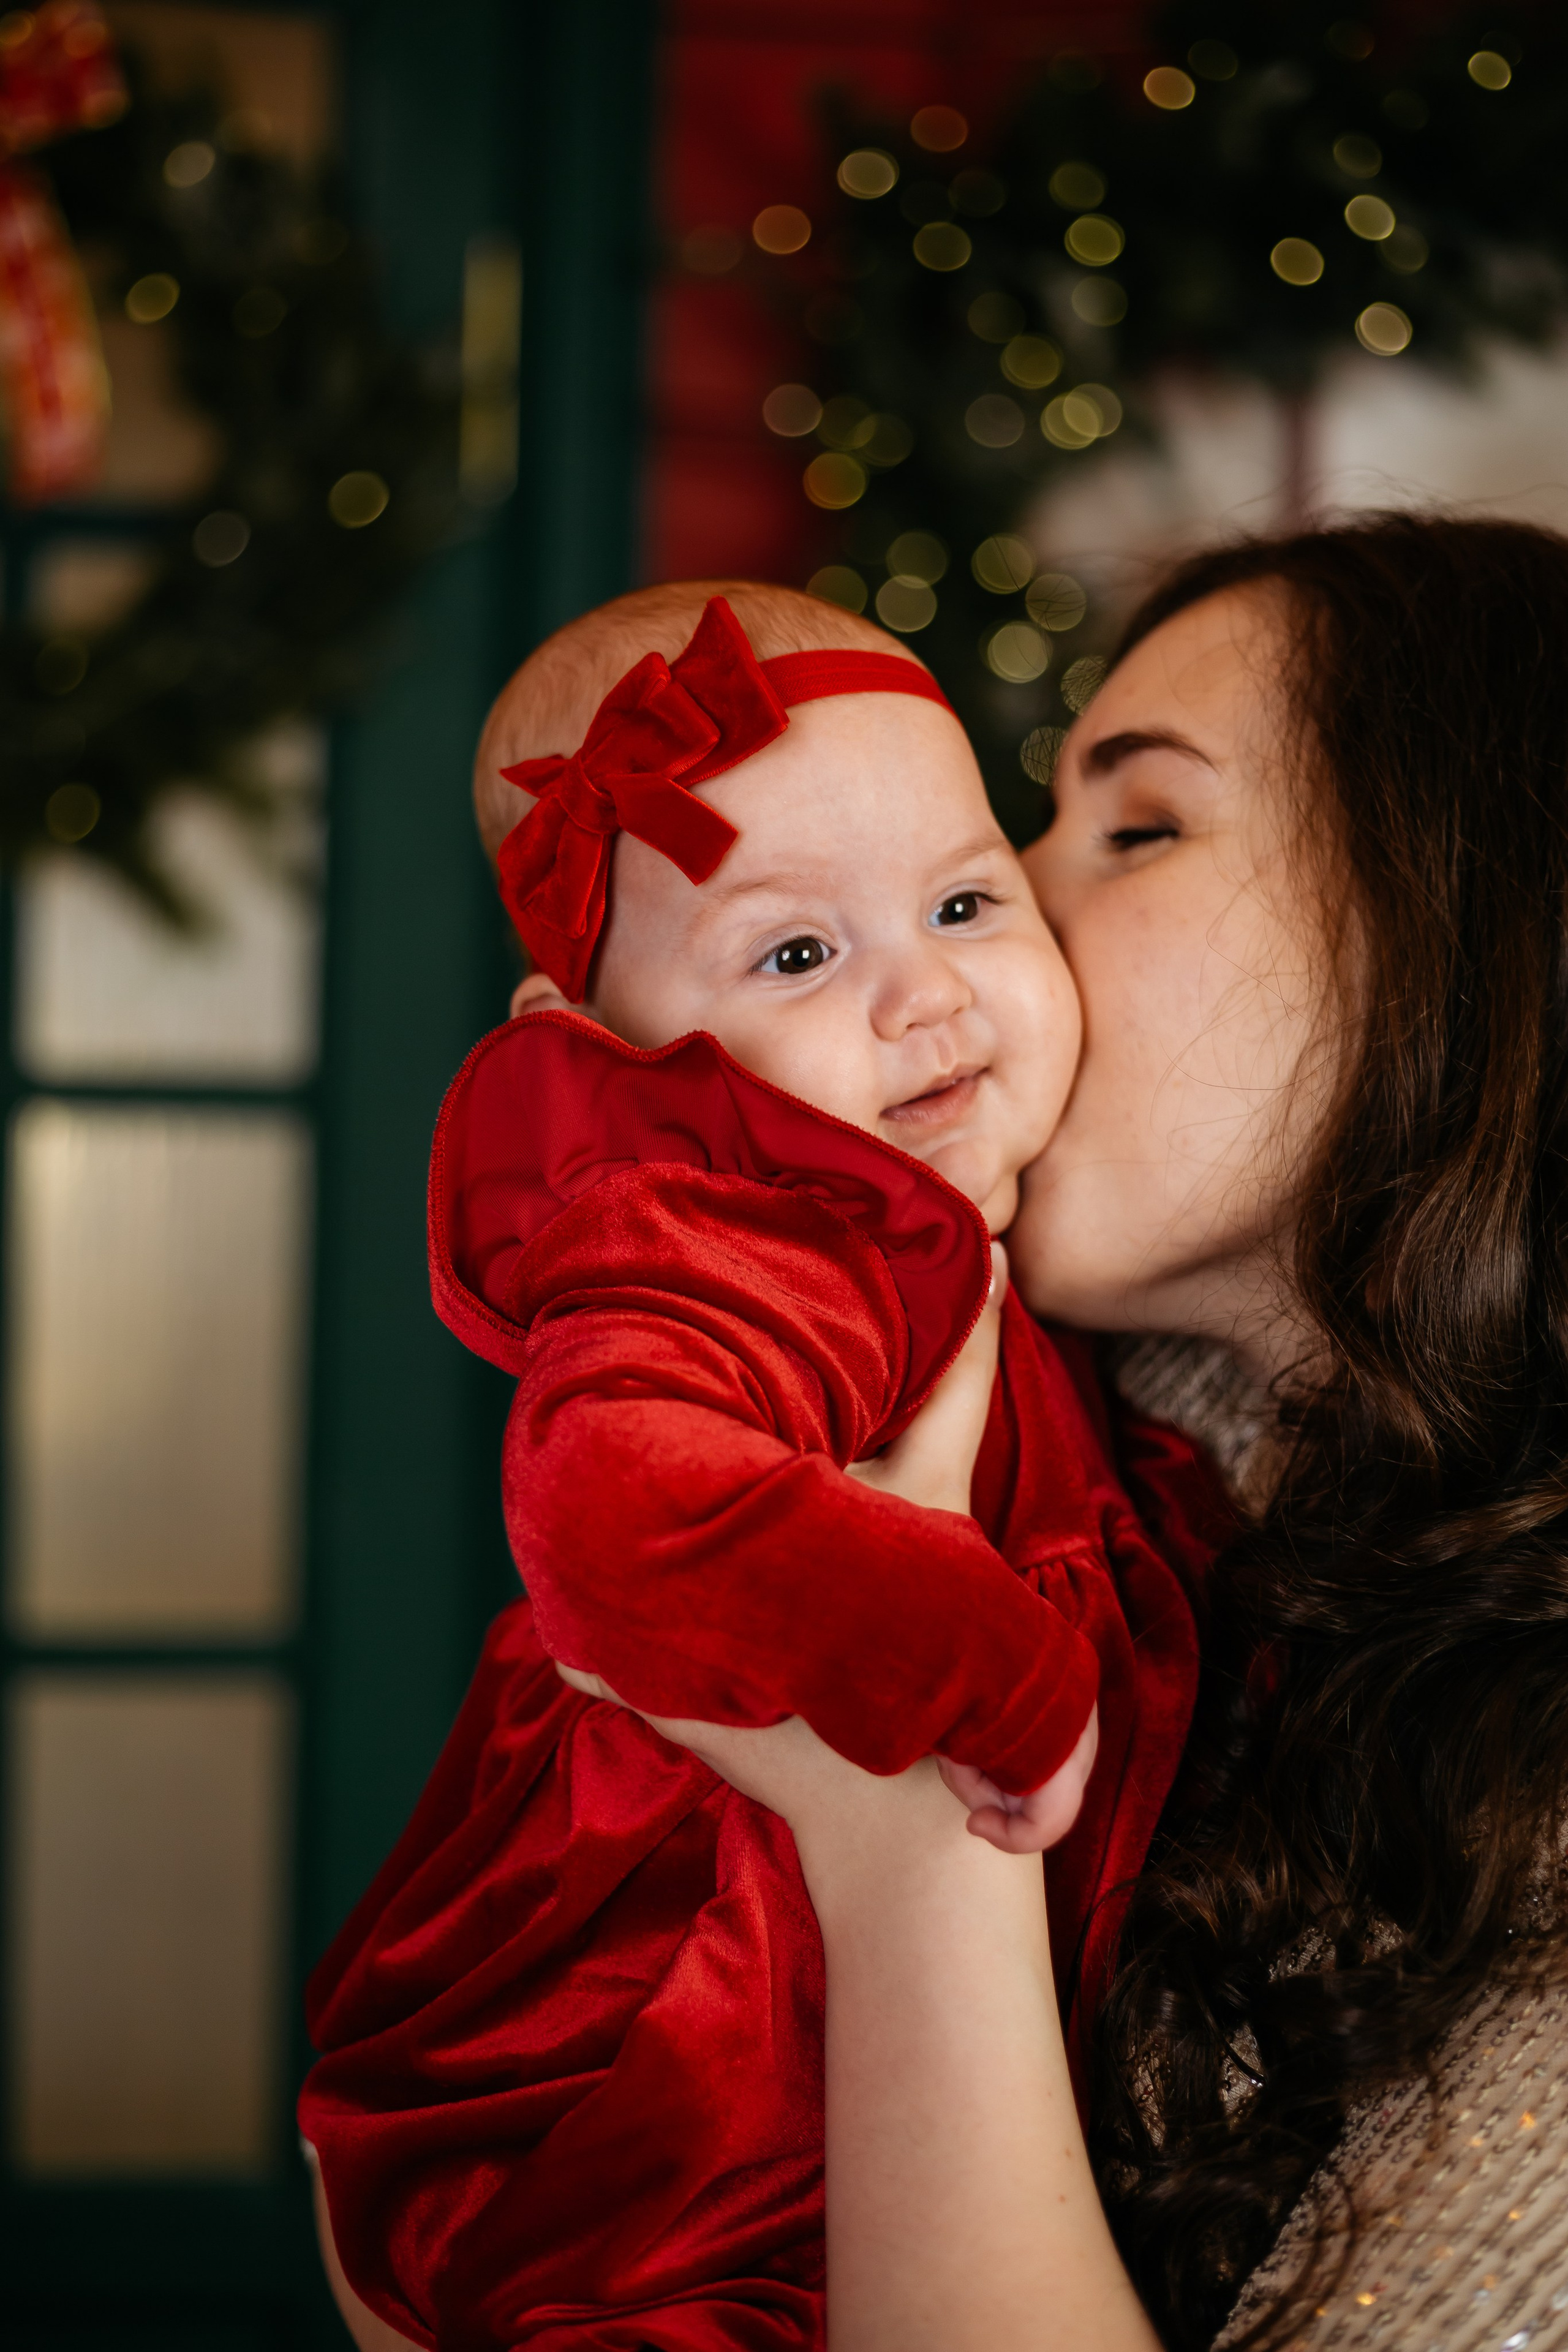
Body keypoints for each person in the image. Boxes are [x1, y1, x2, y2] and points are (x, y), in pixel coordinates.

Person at [598, 513, 1568, 2351]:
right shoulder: (1057, 1440)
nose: (1011, 915)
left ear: (1464, 922)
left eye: (1136, 827)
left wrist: (908, 1846)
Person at [300, 582, 1218, 2351]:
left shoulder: (941, 1228)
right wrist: (987, 1665)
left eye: (965, 901)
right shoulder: (726, 1228)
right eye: (798, 955)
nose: (928, 993)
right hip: (668, 2017)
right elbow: (610, 1494)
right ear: (613, 1056)